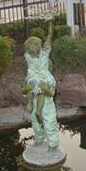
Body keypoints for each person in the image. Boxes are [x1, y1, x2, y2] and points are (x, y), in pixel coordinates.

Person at [23, 19, 59, 152]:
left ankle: (53, 144)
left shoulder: (44, 54)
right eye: (31, 46)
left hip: (44, 82)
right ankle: (39, 139)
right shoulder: (27, 56)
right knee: (35, 120)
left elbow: (49, 37)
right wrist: (28, 88)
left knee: (49, 120)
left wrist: (50, 24)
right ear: (28, 47)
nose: (34, 48)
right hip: (33, 81)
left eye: (36, 45)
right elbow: (25, 88)